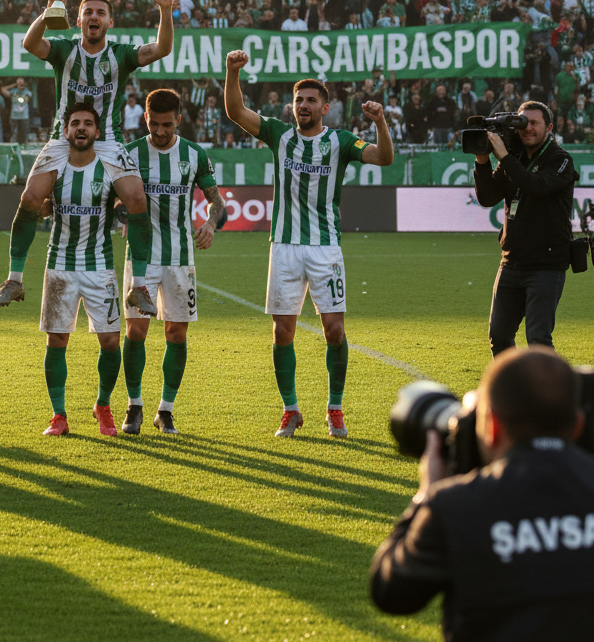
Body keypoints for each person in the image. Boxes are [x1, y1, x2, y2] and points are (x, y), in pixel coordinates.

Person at [370, 347, 594, 639]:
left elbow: (391, 592)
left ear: (491, 425)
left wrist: (426, 493)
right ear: (577, 425)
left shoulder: (454, 506)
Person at [223, 57, 394, 438]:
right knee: (283, 332)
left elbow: (384, 158)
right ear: (292, 106)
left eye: (311, 100)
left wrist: (380, 122)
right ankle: (290, 410)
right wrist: (233, 71)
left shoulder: (341, 141)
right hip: (284, 247)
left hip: (325, 249)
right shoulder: (279, 134)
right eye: (299, 100)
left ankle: (334, 409)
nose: (304, 106)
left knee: (334, 330)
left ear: (324, 107)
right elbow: (235, 110)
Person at [0, 0, 175, 316]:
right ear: (78, 20)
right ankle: (14, 279)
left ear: (110, 22)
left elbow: (161, 48)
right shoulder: (65, 51)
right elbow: (30, 43)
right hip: (64, 137)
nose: (94, 17)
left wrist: (165, 8)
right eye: (88, 12)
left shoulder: (120, 55)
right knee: (31, 199)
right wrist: (49, 10)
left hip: (109, 140)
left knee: (136, 199)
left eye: (100, 13)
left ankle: (139, 286)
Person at [120, 89, 226, 435]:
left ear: (178, 120)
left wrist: (211, 223)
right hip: (141, 258)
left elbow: (217, 202)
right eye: (154, 124)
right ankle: (134, 405)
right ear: (145, 119)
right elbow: (110, 199)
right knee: (136, 331)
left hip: (181, 257)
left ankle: (165, 410)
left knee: (176, 333)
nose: (160, 131)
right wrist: (124, 217)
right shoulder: (131, 154)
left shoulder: (194, 155)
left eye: (167, 124)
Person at [37, 103, 124, 438]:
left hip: (100, 266)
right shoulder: (54, 166)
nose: (82, 128)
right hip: (59, 265)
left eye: (88, 123)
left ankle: (102, 405)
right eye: (75, 123)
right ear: (66, 131)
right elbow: (40, 207)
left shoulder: (110, 167)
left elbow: (125, 202)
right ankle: (58, 415)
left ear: (97, 132)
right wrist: (42, 206)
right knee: (57, 340)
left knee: (110, 340)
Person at [473, 101, 576, 355]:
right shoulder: (515, 158)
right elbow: (487, 197)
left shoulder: (560, 160)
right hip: (511, 263)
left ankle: (549, 395)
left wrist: (505, 158)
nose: (527, 129)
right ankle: (513, 393)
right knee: (499, 335)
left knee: (538, 339)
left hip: (546, 265)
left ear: (549, 128)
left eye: (534, 123)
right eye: (522, 123)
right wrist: (482, 159)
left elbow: (536, 185)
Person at [1, 78, 33, 145]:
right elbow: (3, 89)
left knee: (24, 133)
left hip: (24, 116)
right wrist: (13, 85)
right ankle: (14, 147)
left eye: (21, 83)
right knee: (14, 133)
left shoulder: (27, 92)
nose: (20, 84)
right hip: (14, 116)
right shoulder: (13, 91)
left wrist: (23, 87)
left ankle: (24, 145)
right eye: (18, 83)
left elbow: (27, 98)